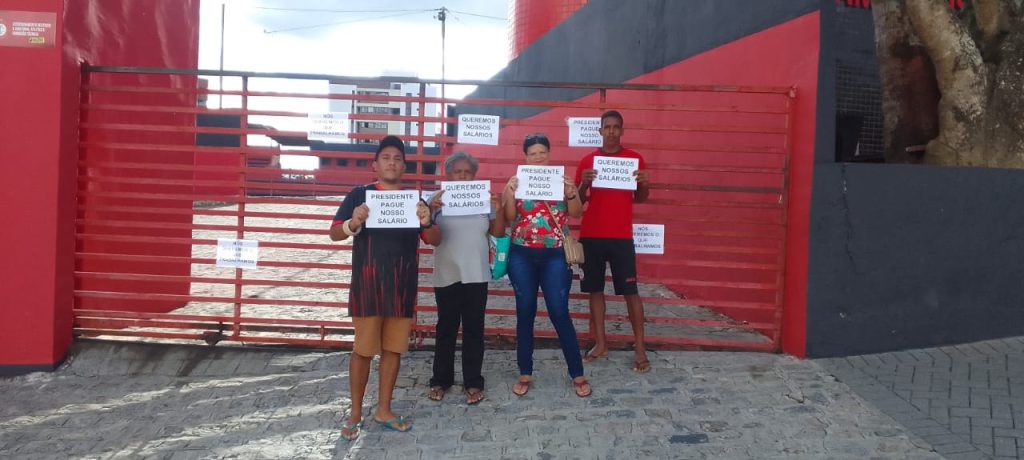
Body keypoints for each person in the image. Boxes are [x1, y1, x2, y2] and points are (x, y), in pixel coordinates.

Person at [329, 135, 438, 440]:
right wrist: (353, 222)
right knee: (362, 351)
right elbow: (334, 233)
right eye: (386, 157)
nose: (392, 163)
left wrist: (427, 221)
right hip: (367, 288)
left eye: (398, 158)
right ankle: (355, 412)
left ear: (404, 166)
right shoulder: (359, 195)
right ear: (375, 164)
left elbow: (435, 240)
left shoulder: (414, 201)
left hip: (401, 288)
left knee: (393, 350)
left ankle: (384, 410)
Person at [501, 133, 592, 398]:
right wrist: (509, 194)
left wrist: (572, 194)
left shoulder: (561, 181)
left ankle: (577, 372)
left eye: (542, 152)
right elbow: (509, 217)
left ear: (549, 154)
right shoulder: (516, 181)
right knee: (525, 310)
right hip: (521, 254)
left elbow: (576, 213)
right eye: (533, 153)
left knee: (559, 311)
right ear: (525, 157)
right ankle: (524, 371)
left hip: (555, 255)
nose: (538, 157)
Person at [421, 152, 505, 405]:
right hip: (446, 272)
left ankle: (473, 382)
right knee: (445, 328)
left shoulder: (484, 200)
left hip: (476, 272)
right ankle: (440, 380)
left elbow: (498, 233)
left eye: (467, 172)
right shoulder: (434, 200)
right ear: (448, 174)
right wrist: (431, 212)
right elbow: (429, 238)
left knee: (474, 329)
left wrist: (499, 209)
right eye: (457, 172)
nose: (462, 176)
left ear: (474, 175)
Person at [574, 110, 652, 373]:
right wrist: (583, 185)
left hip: (621, 236)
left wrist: (644, 183)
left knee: (631, 292)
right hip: (592, 235)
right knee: (595, 290)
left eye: (615, 127)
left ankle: (640, 347)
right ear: (599, 131)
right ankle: (601, 343)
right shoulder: (587, 161)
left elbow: (640, 198)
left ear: (622, 131)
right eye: (606, 127)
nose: (611, 131)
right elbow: (576, 203)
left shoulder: (635, 159)